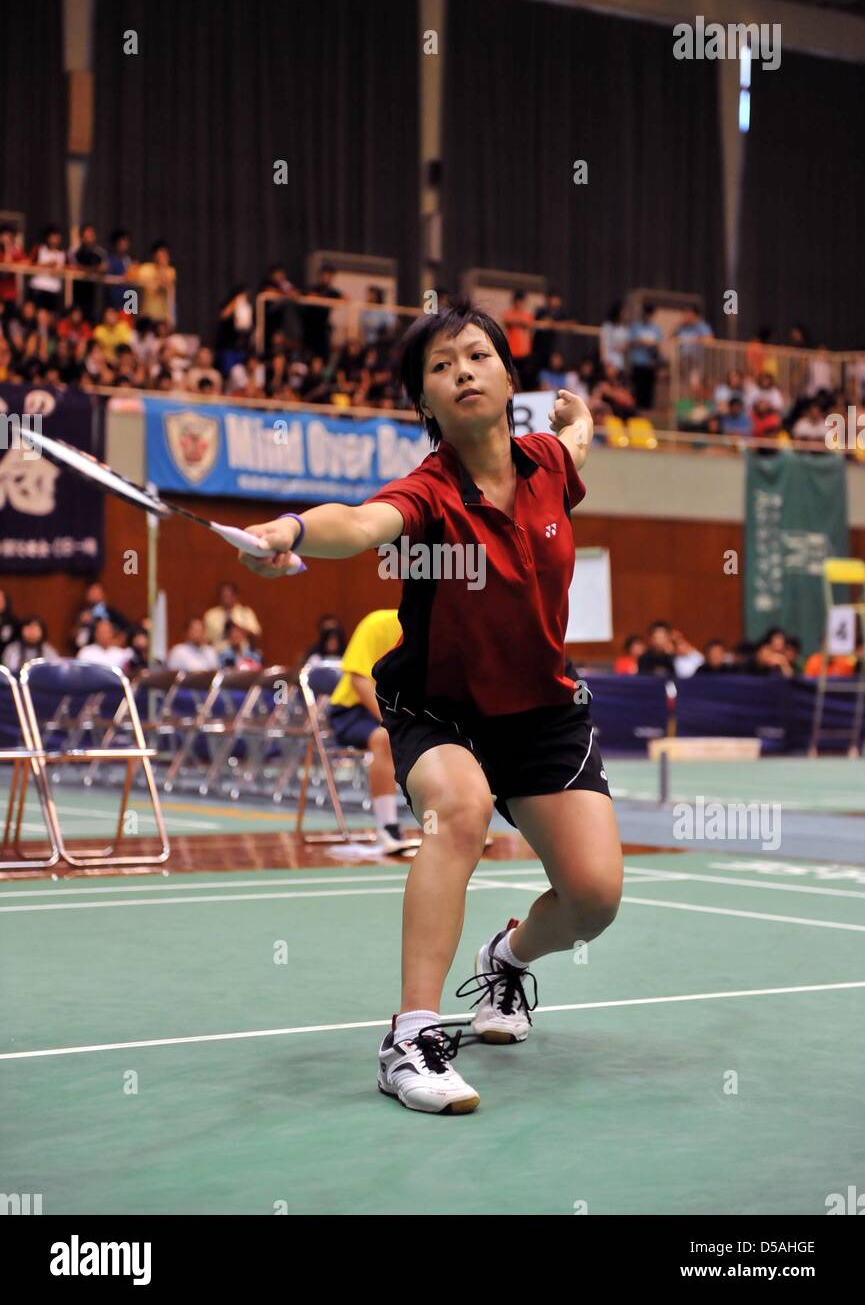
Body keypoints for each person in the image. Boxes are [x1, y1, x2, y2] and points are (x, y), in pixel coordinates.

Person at [238, 300, 621, 1115]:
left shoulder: (548, 462)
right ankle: (409, 1038)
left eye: (477, 356)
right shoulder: (429, 493)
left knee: (593, 898)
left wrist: (580, 417)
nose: (463, 372)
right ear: (426, 402)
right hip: (441, 708)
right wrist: (292, 531)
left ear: (506, 374)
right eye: (440, 368)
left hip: (543, 710)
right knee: (460, 809)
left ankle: (508, 957)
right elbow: (359, 522)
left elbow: (575, 442)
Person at [327, 608, 412, 855]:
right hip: (352, 709)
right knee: (384, 738)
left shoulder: (437, 628)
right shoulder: (376, 623)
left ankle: (450, 829)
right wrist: (389, 720)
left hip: (402, 710)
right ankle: (388, 827)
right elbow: (358, 678)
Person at [203, 582, 262, 650]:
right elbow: (206, 640)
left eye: (229, 595)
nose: (226, 599)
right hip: (218, 654)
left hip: (242, 654)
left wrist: (238, 629)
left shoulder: (245, 613)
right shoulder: (211, 615)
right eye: (224, 596)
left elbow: (256, 634)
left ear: (235, 596)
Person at [302, 264, 343, 361]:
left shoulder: (333, 292)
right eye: (326, 275)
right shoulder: (314, 288)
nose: (328, 278)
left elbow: (346, 299)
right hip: (309, 328)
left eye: (330, 276)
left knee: (323, 357)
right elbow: (306, 294)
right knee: (309, 356)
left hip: (323, 329)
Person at [627, 303, 663, 411]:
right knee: (637, 387)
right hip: (638, 361)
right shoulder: (636, 326)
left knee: (649, 387)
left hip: (650, 363)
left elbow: (659, 343)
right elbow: (630, 342)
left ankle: (648, 409)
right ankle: (636, 408)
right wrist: (640, 341)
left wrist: (651, 344)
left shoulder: (656, 329)